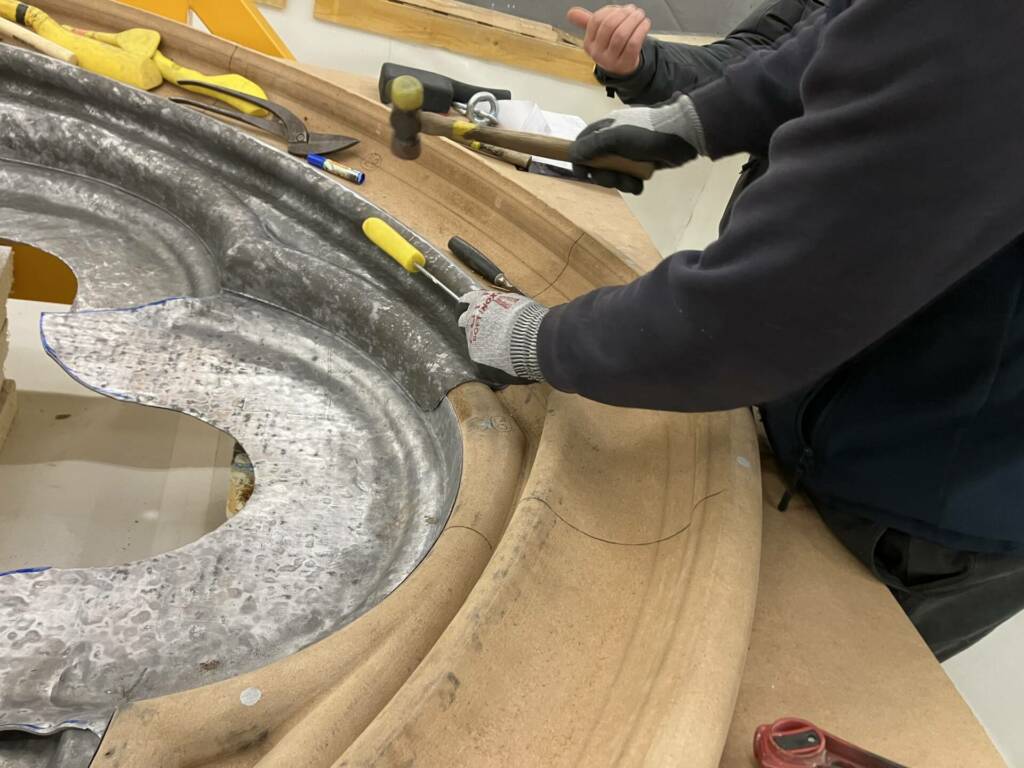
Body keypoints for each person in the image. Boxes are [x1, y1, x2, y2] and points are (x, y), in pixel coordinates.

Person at [457, 0, 1024, 662]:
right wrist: (693, 123)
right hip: (840, 405)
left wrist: (539, 340)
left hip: (930, 504)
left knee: (747, 681)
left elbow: (763, 312)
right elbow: (843, 36)